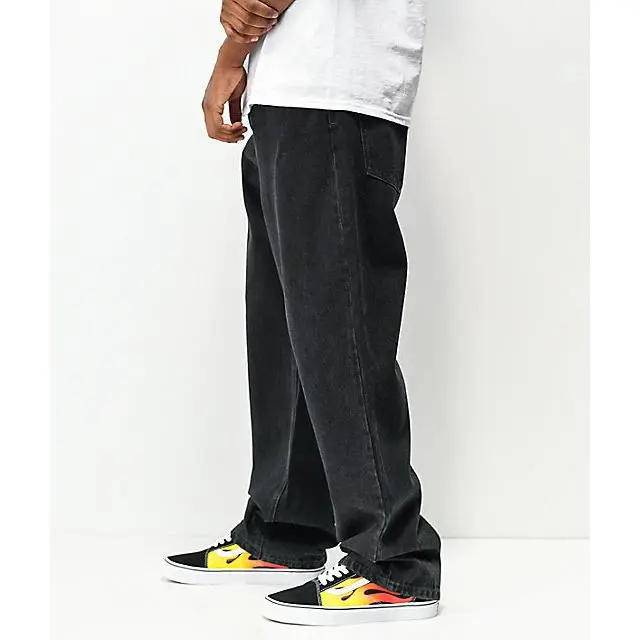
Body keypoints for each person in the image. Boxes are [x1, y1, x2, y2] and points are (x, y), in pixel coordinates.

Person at [164, 0, 441, 626]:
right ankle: (285, 526)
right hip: (295, 92)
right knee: (291, 326)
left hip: (332, 90)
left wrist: (229, 55)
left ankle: (393, 564)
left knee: (338, 325)